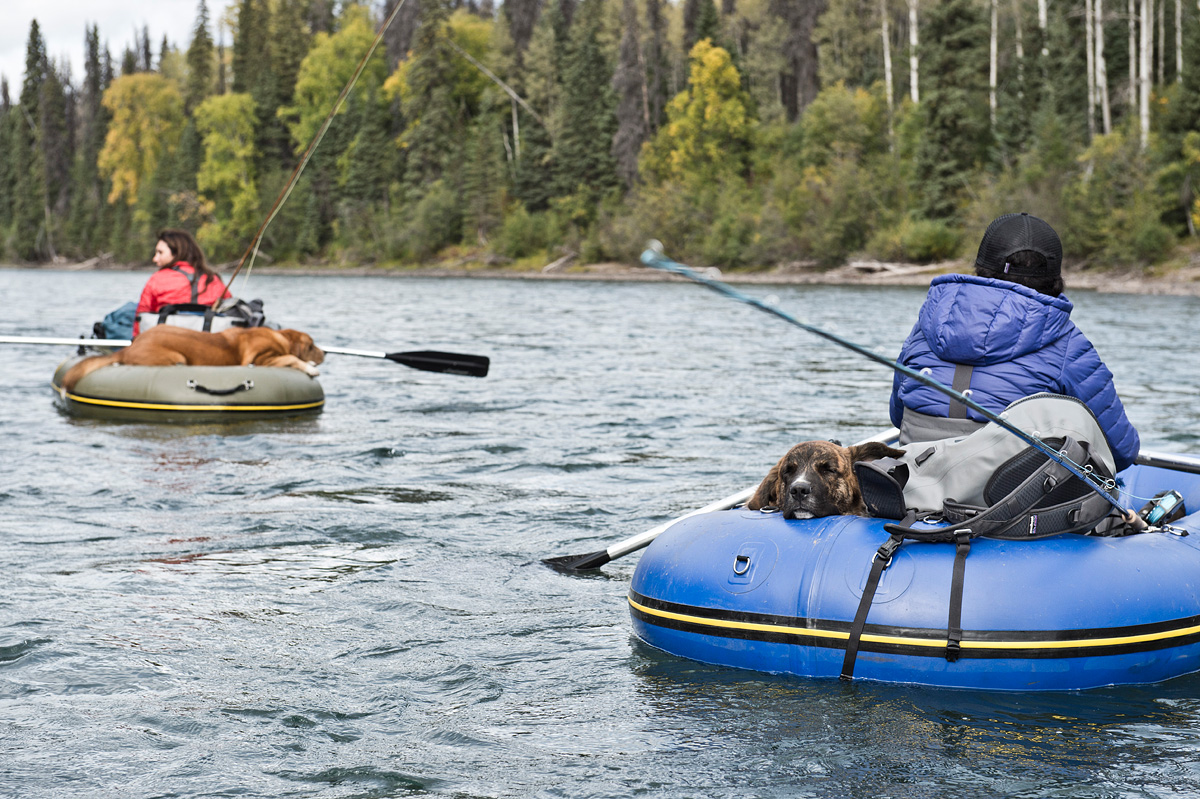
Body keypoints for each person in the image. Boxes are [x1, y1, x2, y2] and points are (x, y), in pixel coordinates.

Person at [888, 212, 1141, 472]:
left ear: (981, 269)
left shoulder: (925, 326)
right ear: (1054, 280)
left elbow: (898, 416)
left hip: (911, 488)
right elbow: (1121, 451)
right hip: (1006, 506)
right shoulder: (1068, 342)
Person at [133, 229, 232, 336]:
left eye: (160, 252)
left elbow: (141, 318)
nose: (155, 258)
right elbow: (230, 312)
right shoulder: (213, 279)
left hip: (166, 343)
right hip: (206, 345)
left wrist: (135, 342)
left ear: (177, 252)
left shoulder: (157, 279)